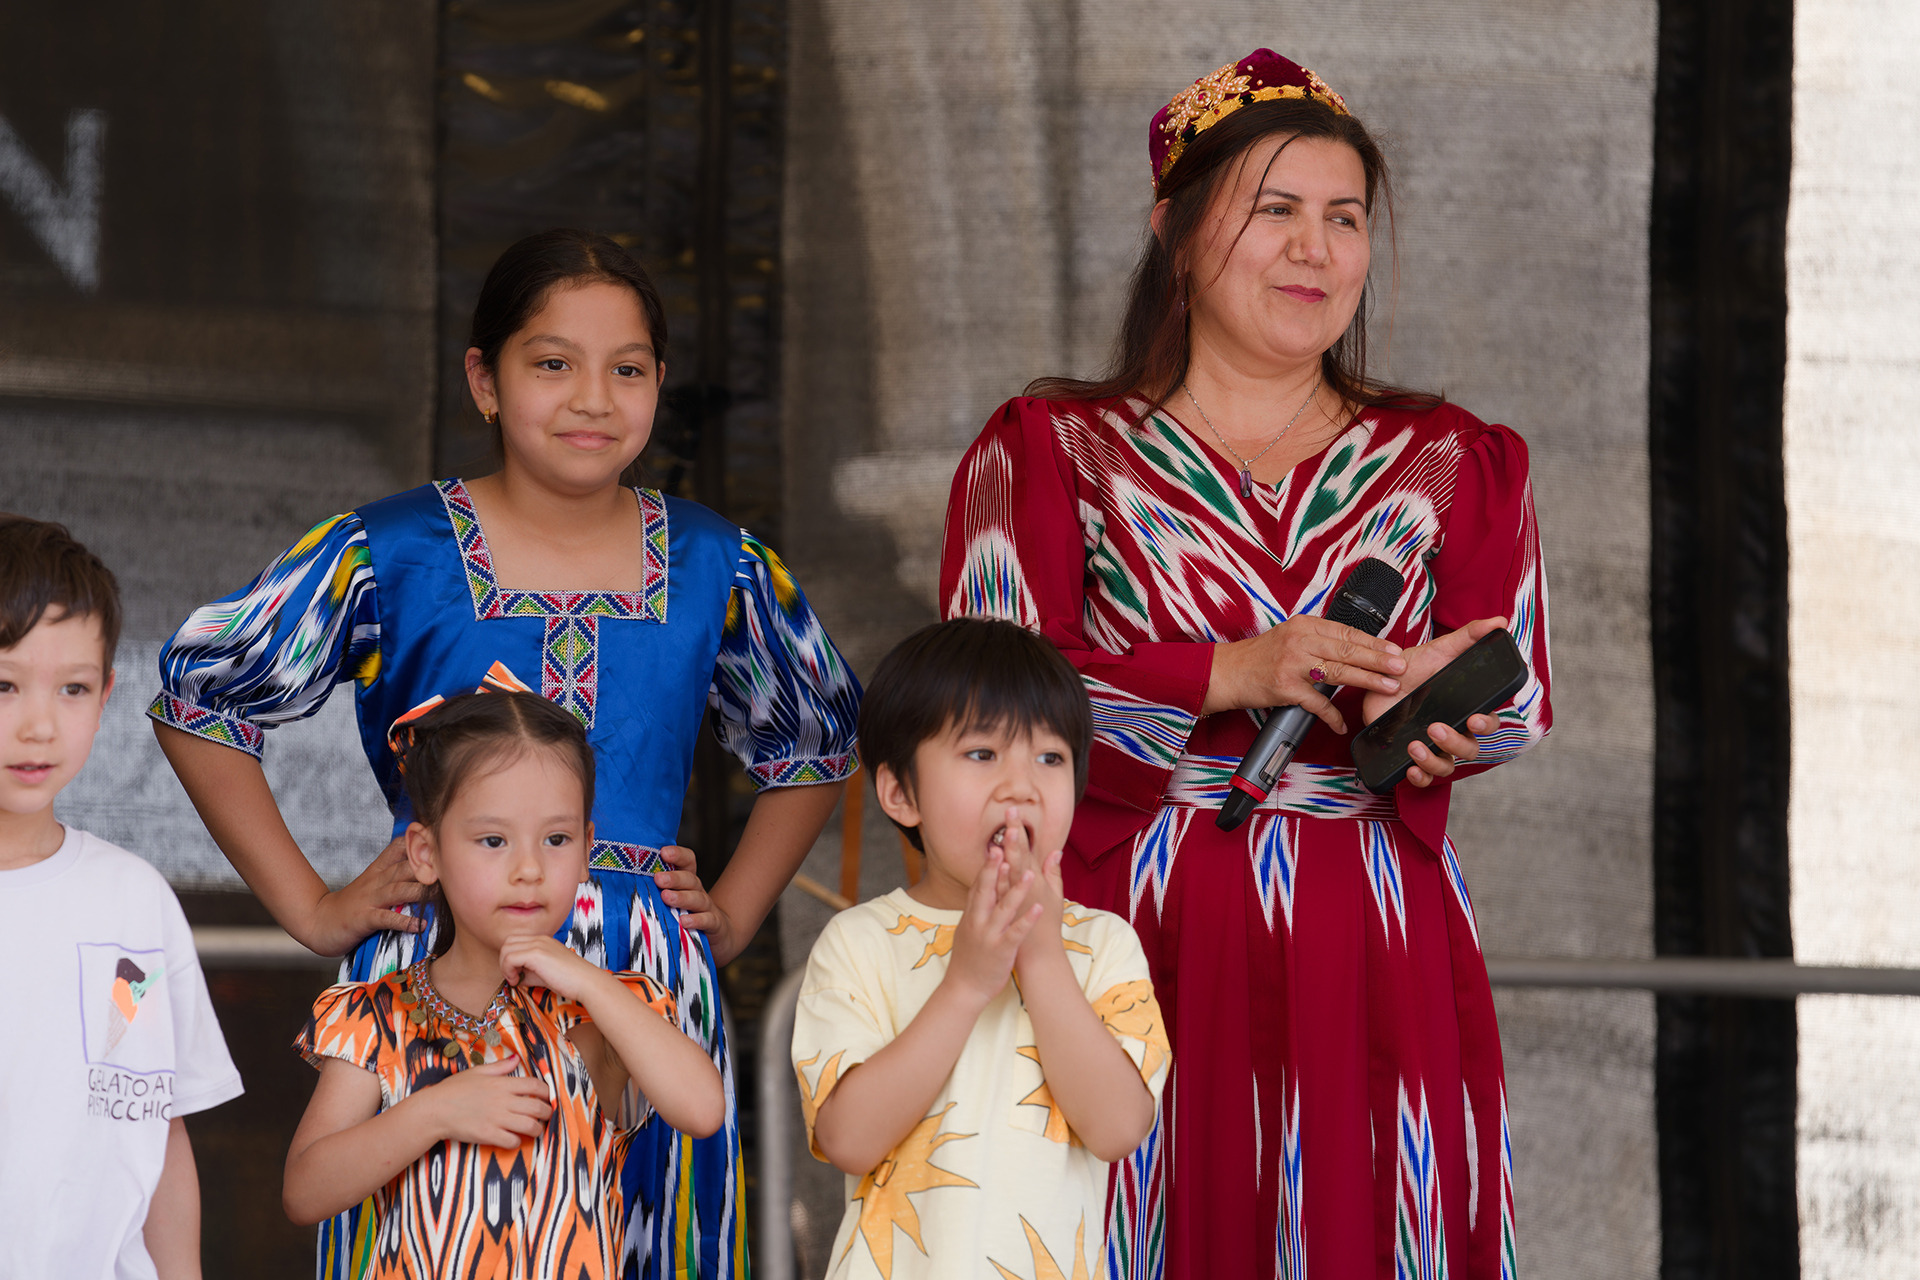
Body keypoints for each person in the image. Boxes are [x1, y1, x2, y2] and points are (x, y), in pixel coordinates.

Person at [939, 50, 1553, 1280]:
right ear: (1173, 231)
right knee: (1130, 1224)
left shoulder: (1450, 458)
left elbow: (1521, 688)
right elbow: (979, 711)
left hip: (1371, 923)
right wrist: (1227, 671)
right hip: (1121, 929)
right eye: (1275, 210)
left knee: (1367, 1228)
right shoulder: (1055, 448)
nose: (1315, 249)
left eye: (1345, 217)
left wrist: (1444, 714)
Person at [149, 228, 861, 1279]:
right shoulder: (388, 549)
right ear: (485, 380)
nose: (593, 398)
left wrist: (737, 911)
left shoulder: (719, 559)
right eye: (553, 363)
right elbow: (199, 697)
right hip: (436, 958)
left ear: (661, 383)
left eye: (628, 369)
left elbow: (819, 734)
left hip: (639, 982)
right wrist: (312, 906)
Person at [284, 686, 724, 1279]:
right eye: (493, 840)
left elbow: (702, 1109)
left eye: (557, 839)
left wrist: (590, 982)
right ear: (425, 853)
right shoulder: (377, 1017)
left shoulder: (602, 1012)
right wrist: (432, 1113)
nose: (529, 869)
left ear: (587, 848)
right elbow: (305, 1191)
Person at [792, 618, 1169, 1280]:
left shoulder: (1102, 943)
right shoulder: (859, 942)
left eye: (1050, 758)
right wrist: (965, 985)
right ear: (900, 793)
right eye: (983, 753)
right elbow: (848, 1139)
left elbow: (1116, 1129)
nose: (1022, 785)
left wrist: (1043, 959)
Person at [0, 516, 243, 1280]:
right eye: (4, 685)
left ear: (106, 693)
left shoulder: (133, 903)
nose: (39, 725)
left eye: (72, 688)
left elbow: (158, 1130)